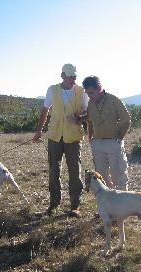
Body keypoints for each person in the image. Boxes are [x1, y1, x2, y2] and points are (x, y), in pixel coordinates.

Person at [33, 64, 88, 217]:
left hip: (73, 137)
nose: (73, 78)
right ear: (62, 75)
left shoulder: (82, 92)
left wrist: (79, 118)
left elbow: (88, 113)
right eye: (70, 76)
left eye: (74, 76)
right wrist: (39, 131)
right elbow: (45, 109)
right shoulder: (52, 90)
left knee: (74, 172)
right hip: (55, 136)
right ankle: (53, 204)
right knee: (53, 171)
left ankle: (75, 206)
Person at [72, 75, 131, 190]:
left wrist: (119, 139)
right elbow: (90, 119)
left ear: (99, 88)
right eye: (87, 93)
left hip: (113, 142)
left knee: (118, 174)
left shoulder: (114, 100)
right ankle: (109, 201)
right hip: (98, 143)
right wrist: (90, 137)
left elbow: (126, 121)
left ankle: (123, 203)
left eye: (91, 93)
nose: (89, 96)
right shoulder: (91, 102)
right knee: (102, 175)